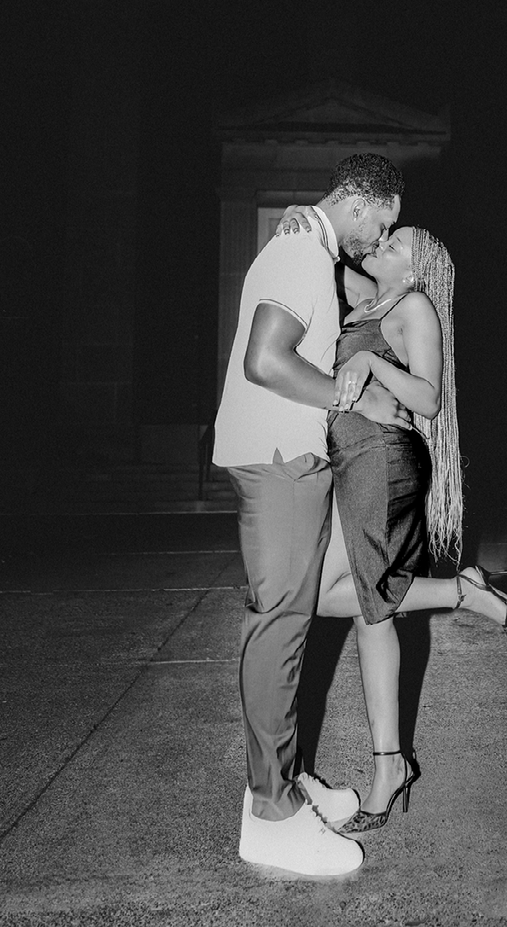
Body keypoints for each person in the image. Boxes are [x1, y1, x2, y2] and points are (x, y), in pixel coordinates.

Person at [275, 213, 507, 834]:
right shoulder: (368, 300)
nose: (382, 242)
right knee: (366, 607)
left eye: (396, 242)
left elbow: (431, 398)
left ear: (417, 268)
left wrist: (372, 369)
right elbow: (328, 258)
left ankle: (462, 593)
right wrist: (298, 226)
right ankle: (390, 766)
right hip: (351, 458)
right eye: (385, 234)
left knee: (329, 595)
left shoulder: (415, 308)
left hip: (383, 457)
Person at [212, 154, 408, 877]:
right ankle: (270, 815)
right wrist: (350, 397)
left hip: (279, 453)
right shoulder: (299, 251)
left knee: (285, 620)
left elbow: (361, 287)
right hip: (281, 459)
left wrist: (319, 239)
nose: (376, 237)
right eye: (380, 221)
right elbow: (265, 361)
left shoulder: (308, 250)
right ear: (361, 200)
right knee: (280, 628)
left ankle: (284, 781)